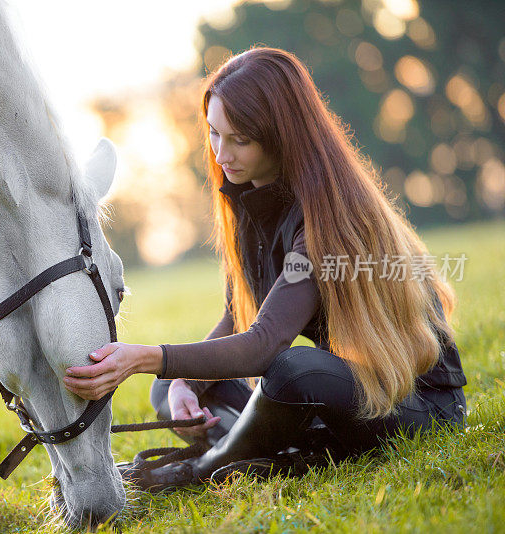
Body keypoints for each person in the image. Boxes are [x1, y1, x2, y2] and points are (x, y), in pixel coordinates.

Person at [62, 47, 467, 490]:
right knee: (172, 390)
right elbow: (237, 315)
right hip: (343, 394)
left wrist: (145, 357)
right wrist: (181, 383)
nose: (221, 154)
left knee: (292, 370)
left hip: (415, 407)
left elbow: (265, 344)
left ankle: (202, 469)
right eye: (215, 134)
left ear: (282, 136)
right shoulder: (248, 197)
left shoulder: (325, 217)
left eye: (240, 140)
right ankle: (277, 450)